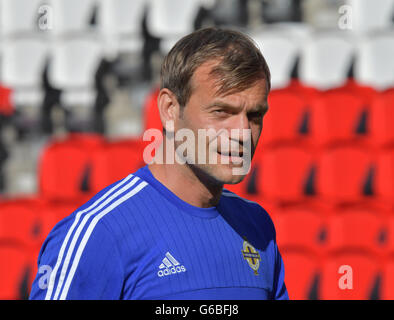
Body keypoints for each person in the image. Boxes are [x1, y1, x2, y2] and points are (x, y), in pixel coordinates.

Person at [29, 27, 288, 300]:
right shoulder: (100, 232)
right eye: (221, 112)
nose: (242, 132)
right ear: (170, 110)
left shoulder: (257, 226)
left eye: (255, 115)